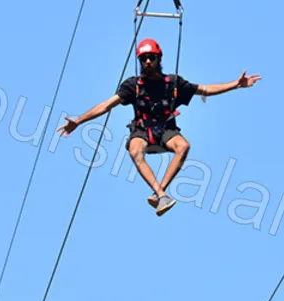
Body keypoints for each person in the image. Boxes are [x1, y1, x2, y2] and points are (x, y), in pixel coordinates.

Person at [56, 38, 261, 216]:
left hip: (166, 129)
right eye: (143, 59)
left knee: (184, 146)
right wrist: (79, 120)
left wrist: (236, 84)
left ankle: (159, 192)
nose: (147, 62)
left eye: (151, 58)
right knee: (135, 149)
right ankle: (162, 195)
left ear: (159, 58)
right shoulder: (133, 86)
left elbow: (205, 90)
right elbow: (107, 105)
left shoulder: (173, 83)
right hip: (142, 130)